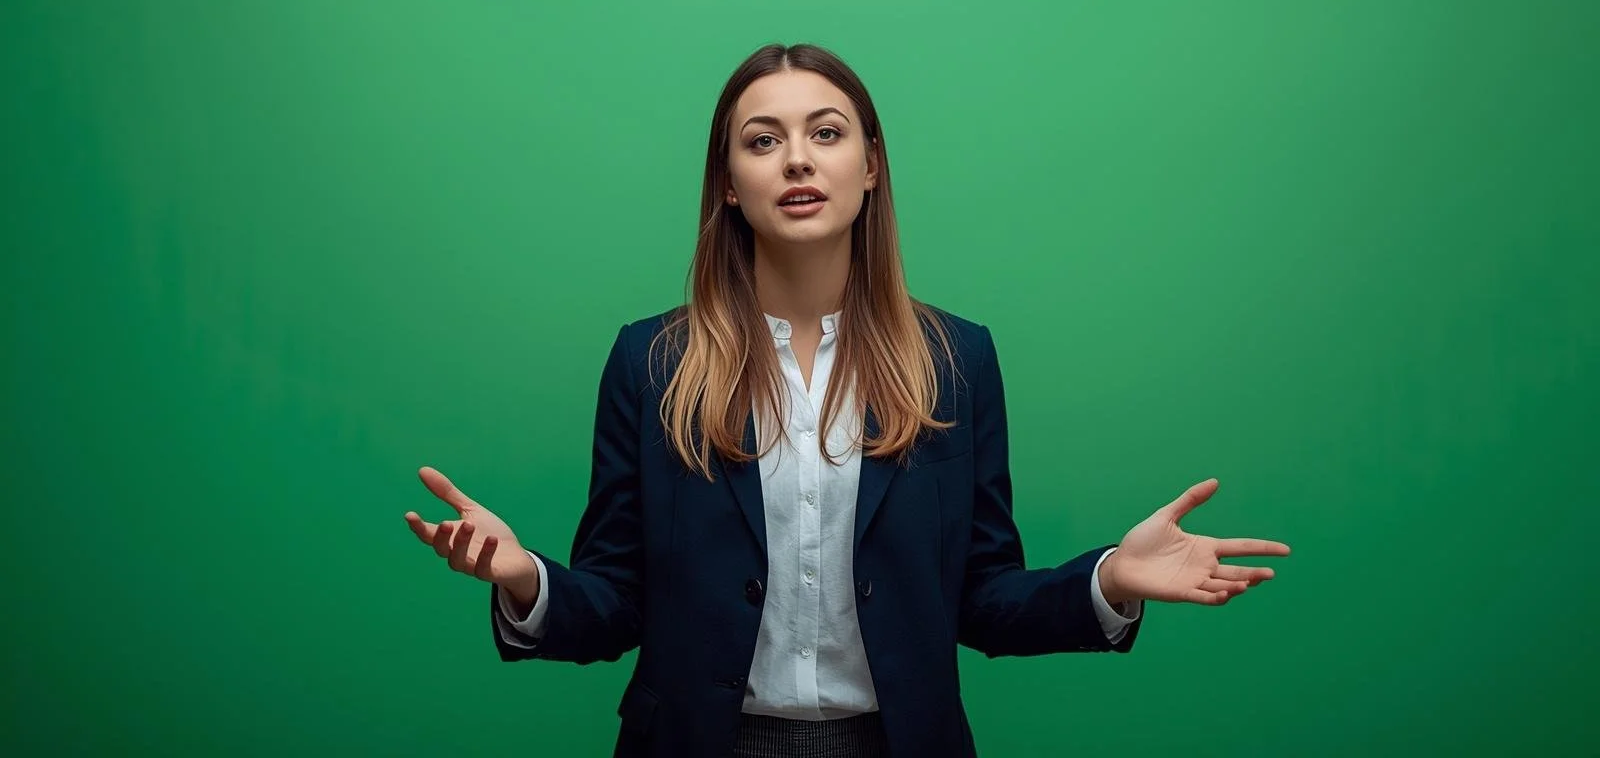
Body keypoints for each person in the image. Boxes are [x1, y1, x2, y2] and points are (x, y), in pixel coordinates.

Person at [404, 43, 1291, 758]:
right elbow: (616, 602)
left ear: (871, 167)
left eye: (826, 133)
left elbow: (983, 599)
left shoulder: (957, 359)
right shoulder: (652, 360)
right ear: (727, 182)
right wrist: (524, 581)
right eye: (762, 140)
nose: (796, 158)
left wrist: (1108, 581)